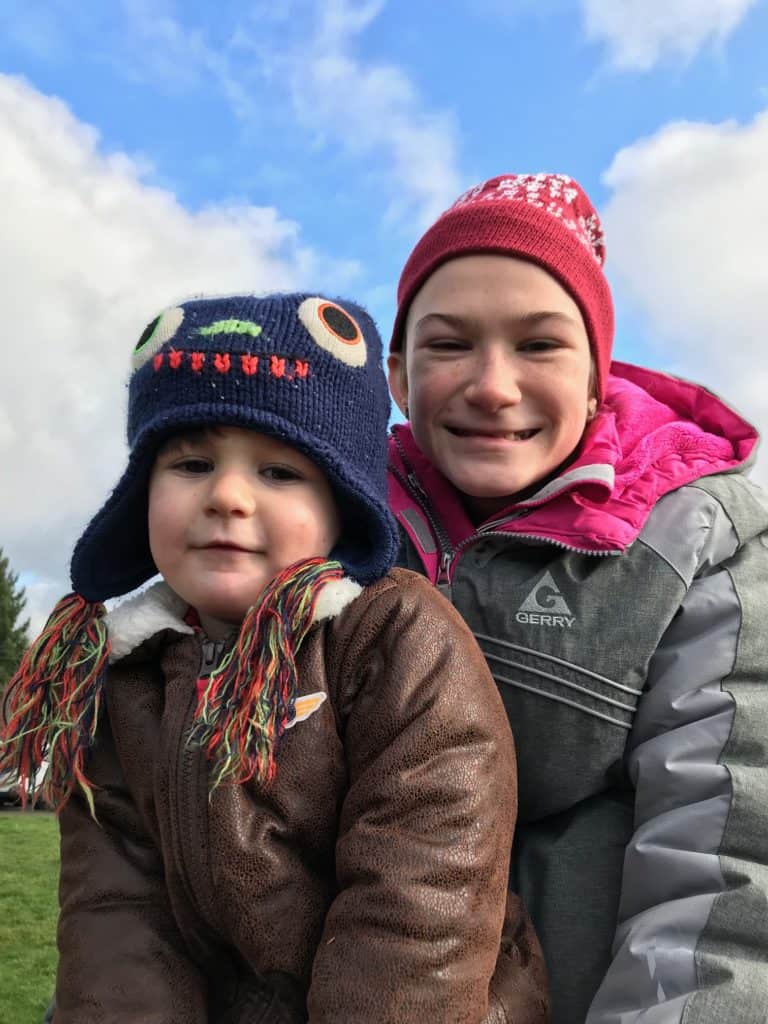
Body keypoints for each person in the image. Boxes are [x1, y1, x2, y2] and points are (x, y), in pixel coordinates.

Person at [0, 293, 548, 1023]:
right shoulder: (121, 678)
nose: (227, 495)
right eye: (192, 463)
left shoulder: (392, 637)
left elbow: (421, 893)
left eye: (280, 473)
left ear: (341, 503)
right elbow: (117, 911)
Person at [386, 173, 768, 1024]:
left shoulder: (696, 543)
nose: (492, 384)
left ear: (598, 378)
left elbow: (724, 856)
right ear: (399, 378)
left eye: (539, 345)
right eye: (449, 344)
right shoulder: (329, 525)